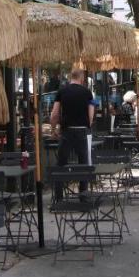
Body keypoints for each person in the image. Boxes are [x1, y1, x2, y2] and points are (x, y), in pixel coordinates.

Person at [50, 66, 95, 197]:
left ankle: (58, 197)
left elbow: (54, 114)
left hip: (67, 132)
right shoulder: (87, 92)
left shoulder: (62, 91)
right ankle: (83, 197)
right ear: (81, 78)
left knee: (61, 164)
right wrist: (88, 125)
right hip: (82, 131)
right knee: (83, 163)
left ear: (70, 77)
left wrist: (53, 129)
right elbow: (90, 114)